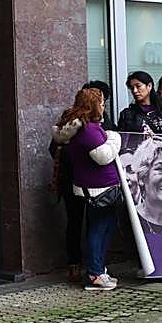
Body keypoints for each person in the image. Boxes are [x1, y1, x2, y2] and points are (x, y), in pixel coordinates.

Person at [59, 88, 123, 289]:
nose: (104, 106)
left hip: (100, 186)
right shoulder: (88, 129)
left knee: (106, 227)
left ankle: (98, 269)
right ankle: (95, 272)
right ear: (93, 104)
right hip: (98, 188)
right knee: (98, 229)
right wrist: (115, 138)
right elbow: (103, 156)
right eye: (102, 102)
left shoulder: (88, 127)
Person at [117, 71, 162, 136]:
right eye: (132, 88)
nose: (135, 91)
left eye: (138, 86)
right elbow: (123, 139)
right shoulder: (127, 114)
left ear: (149, 86)